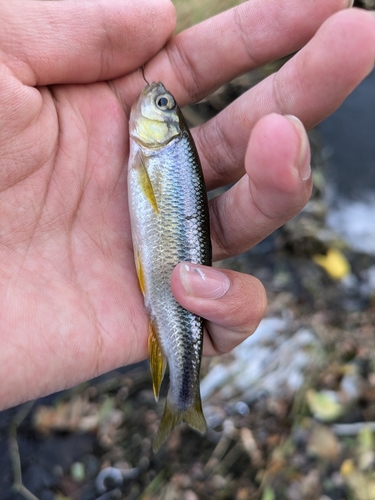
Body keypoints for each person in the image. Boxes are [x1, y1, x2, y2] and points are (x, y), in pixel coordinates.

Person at [0, 0, 374, 410]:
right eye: (165, 105)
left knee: (186, 319)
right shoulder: (157, 152)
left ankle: (183, 398)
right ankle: (183, 400)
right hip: (156, 261)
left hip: (159, 270)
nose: (157, 98)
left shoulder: (161, 153)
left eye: (163, 106)